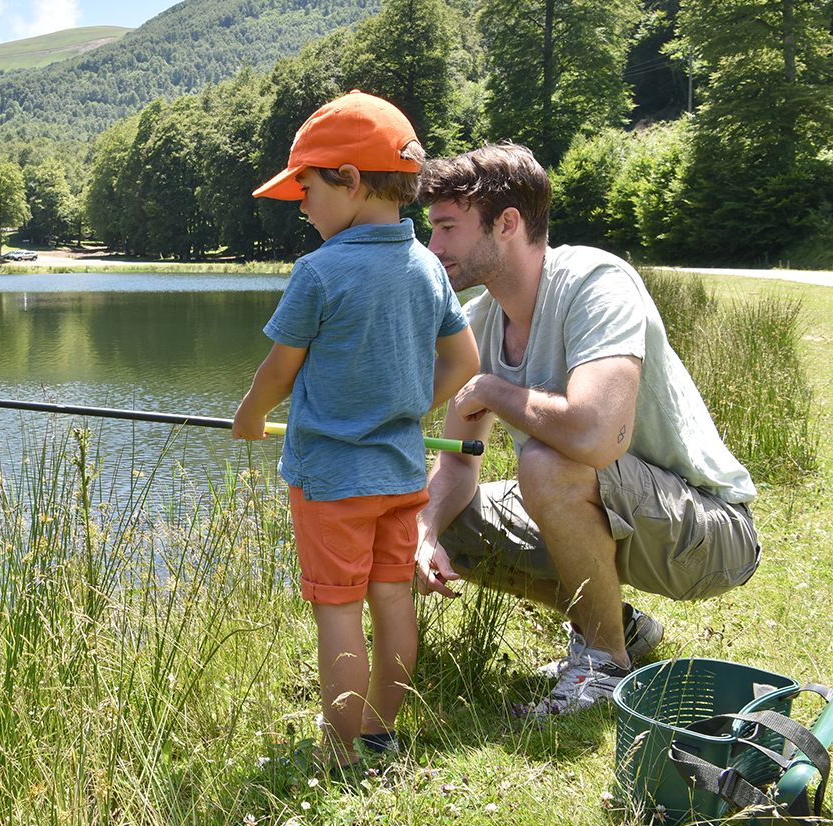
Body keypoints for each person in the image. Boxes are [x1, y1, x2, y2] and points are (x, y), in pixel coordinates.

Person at [414, 143, 760, 715]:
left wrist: (496, 390)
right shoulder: (479, 321)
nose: (435, 246)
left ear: (507, 223)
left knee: (546, 463)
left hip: (707, 533)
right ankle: (620, 626)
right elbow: (457, 461)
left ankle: (602, 667)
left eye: (448, 228)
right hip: (624, 513)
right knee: (446, 514)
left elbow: (597, 438)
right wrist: (425, 529)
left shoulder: (596, 283)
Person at [233, 91, 480, 765]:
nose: (302, 205)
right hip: (401, 475)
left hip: (331, 482)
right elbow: (465, 361)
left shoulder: (319, 272)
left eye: (307, 189)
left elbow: (280, 372)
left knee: (339, 614)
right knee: (393, 601)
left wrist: (251, 417)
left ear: (348, 178)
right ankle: (379, 732)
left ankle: (343, 753)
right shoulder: (428, 268)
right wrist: (403, 410)